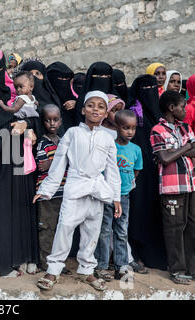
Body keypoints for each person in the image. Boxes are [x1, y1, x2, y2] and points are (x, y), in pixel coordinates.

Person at [34, 90, 121, 292]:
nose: (95, 109)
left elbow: (112, 170)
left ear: (106, 112)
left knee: (92, 231)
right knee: (65, 227)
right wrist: (46, 188)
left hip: (97, 190)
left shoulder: (109, 138)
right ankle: (53, 270)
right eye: (91, 105)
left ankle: (86, 269)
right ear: (82, 110)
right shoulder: (72, 133)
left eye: (101, 106)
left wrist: (116, 197)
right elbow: (58, 163)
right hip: (74, 186)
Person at [0, 48, 39, 277]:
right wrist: (17, 124)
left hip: (19, 158)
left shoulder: (17, 87)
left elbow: (35, 115)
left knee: (19, 208)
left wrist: (27, 127)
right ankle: (0, 264)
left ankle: (20, 259)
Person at [150, 90, 195, 284]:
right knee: (174, 228)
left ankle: (192, 268)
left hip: (191, 184)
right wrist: (185, 148)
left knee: (192, 226)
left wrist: (176, 151)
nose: (185, 110)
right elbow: (165, 158)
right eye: (182, 106)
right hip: (171, 187)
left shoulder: (185, 127)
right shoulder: (157, 131)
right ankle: (177, 270)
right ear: (171, 108)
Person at [94, 110, 143, 281]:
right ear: (116, 127)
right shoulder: (110, 146)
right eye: (126, 128)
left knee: (121, 231)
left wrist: (128, 184)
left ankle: (121, 267)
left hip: (124, 197)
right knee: (104, 230)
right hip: (107, 195)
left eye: (133, 128)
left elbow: (136, 169)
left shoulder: (136, 150)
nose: (130, 132)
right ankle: (101, 265)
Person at [127, 75, 167, 271]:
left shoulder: (159, 117)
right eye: (145, 88)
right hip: (138, 177)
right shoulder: (134, 116)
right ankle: (137, 253)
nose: (149, 92)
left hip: (158, 175)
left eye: (153, 87)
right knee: (138, 213)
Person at [35, 105, 66, 271]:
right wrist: (59, 161)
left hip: (64, 192)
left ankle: (58, 262)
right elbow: (42, 166)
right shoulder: (42, 144)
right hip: (47, 195)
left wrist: (54, 162)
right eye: (48, 120)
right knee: (47, 229)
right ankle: (46, 263)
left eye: (55, 119)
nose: (52, 123)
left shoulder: (63, 142)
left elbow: (68, 162)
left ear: (61, 121)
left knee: (62, 230)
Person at [0, 71, 38, 175]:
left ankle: (27, 166)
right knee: (27, 148)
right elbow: (36, 106)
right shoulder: (33, 98)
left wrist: (1, 105)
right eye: (16, 87)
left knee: (21, 148)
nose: (18, 90)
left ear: (31, 86)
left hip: (20, 122)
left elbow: (13, 110)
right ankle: (30, 165)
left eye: (21, 86)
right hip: (30, 124)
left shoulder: (21, 98)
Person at [74, 62, 115, 126]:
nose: (104, 79)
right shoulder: (83, 99)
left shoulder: (115, 99)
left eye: (107, 76)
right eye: (99, 76)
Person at [46, 61, 77, 130]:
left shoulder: (73, 100)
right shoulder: (43, 100)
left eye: (66, 79)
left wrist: (77, 104)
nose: (64, 82)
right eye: (60, 79)